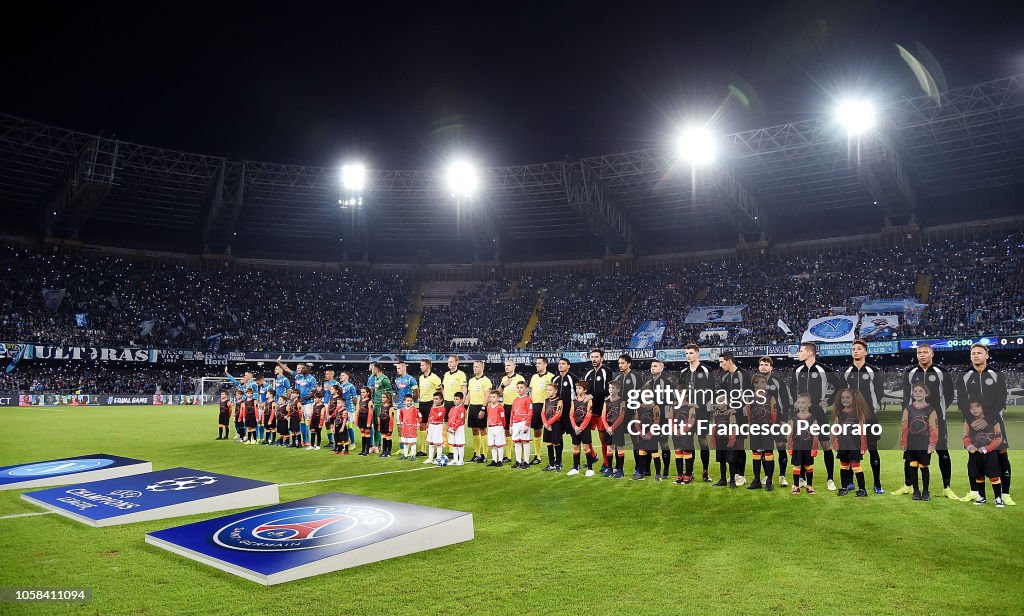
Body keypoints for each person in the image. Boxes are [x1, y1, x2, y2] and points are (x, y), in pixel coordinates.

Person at [956, 344, 1014, 506]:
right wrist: (971, 419)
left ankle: (1005, 493)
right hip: (973, 422)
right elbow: (961, 401)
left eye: (979, 353)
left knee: (1002, 453)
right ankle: (975, 492)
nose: (975, 356)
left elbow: (1001, 399)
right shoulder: (965, 375)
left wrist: (987, 419)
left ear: (986, 355)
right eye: (973, 353)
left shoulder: (996, 374)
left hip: (994, 420)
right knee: (973, 455)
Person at [899, 344, 957, 500]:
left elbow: (949, 395)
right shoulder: (910, 372)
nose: (922, 355)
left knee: (942, 451)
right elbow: (906, 397)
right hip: (914, 422)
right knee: (910, 454)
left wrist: (939, 412)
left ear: (932, 354)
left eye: (925, 352)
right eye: (919, 352)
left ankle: (947, 488)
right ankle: (908, 485)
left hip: (937, 421)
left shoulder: (941, 372)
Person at [792, 342, 843, 491]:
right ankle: (801, 478)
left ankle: (830, 479)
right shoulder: (797, 369)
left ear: (810, 353)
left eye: (801, 351)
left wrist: (829, 401)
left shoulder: (824, 369)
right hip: (801, 414)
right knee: (801, 444)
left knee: (825, 444)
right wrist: (796, 402)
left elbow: (839, 387)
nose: (798, 353)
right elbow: (791, 387)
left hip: (818, 413)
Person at [842, 340, 886, 494]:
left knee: (873, 450)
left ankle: (877, 484)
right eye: (853, 349)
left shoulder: (873, 371)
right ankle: (849, 482)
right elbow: (844, 395)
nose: (855, 351)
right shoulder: (847, 372)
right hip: (851, 418)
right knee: (850, 450)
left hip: (870, 417)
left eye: (859, 349)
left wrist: (868, 410)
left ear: (865, 352)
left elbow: (879, 393)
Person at [961, 398, 1006, 507]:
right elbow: (965, 436)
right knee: (978, 475)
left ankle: (998, 498)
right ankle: (982, 497)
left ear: (983, 407)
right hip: (975, 453)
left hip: (990, 454)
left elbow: (998, 438)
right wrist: (970, 446)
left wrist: (987, 448)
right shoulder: (968, 422)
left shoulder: (993, 420)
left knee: (994, 476)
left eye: (977, 406)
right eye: (971, 408)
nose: (974, 410)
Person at [679, 344, 713, 481]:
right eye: (686, 353)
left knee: (703, 440)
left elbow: (711, 390)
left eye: (691, 353)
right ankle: (690, 471)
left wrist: (700, 403)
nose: (688, 355)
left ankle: (705, 472)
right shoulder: (683, 372)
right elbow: (680, 392)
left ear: (698, 354)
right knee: (688, 441)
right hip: (686, 413)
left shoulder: (706, 370)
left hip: (702, 411)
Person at [899, 384, 939, 501]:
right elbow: (904, 427)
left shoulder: (931, 410)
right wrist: (904, 442)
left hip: (924, 441)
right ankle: (916, 491)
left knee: (923, 466)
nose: (917, 393)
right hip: (912, 442)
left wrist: (932, 444)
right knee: (913, 466)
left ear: (926, 393)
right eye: (915, 391)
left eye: (921, 391)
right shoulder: (908, 409)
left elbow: (934, 429)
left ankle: (926, 491)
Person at [758, 356, 792, 487]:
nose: (763, 367)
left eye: (766, 364)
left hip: (777, 420)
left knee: (781, 447)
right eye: (761, 364)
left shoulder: (778, 382)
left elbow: (786, 402)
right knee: (764, 449)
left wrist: (783, 420)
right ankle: (767, 476)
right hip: (761, 422)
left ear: (771, 367)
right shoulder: (755, 382)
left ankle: (782, 476)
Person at [831, 389, 869, 497]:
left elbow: (862, 430)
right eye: (843, 398)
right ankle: (844, 487)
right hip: (843, 444)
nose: (845, 400)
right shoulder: (839, 414)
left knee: (856, 466)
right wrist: (835, 442)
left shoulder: (858, 413)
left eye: (848, 397)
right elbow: (836, 429)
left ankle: (862, 489)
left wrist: (863, 445)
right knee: (844, 466)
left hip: (855, 445)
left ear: (853, 399)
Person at [717, 352, 748, 486]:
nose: (720, 365)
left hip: (740, 415)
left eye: (722, 362)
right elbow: (722, 396)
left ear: (729, 361)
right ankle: (733, 474)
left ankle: (741, 475)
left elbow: (746, 395)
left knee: (739, 445)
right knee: (729, 446)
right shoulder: (724, 377)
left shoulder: (743, 374)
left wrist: (736, 408)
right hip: (727, 416)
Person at [745, 374, 777, 491]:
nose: (764, 384)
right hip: (755, 428)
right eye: (761, 382)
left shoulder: (771, 397)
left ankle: (769, 481)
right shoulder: (750, 398)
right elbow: (748, 414)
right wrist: (751, 425)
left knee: (768, 454)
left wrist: (771, 427)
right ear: (755, 384)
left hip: (766, 428)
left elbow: (773, 413)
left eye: (765, 382)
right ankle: (757, 480)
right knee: (756, 455)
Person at [584, 349, 613, 474]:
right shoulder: (588, 373)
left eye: (596, 357)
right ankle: (593, 455)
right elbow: (586, 391)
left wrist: (592, 396)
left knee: (603, 438)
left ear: (601, 358)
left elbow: (608, 390)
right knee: (585, 435)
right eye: (592, 357)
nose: (594, 359)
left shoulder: (607, 371)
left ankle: (606, 463)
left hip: (602, 410)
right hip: (590, 410)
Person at [276, 360, 318, 448]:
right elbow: (287, 369)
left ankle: (308, 441)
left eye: (299, 368)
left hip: (307, 403)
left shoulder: (311, 379)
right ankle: (302, 440)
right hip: (297, 403)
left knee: (308, 423)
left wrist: (303, 398)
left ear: (304, 369)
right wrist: (279, 362)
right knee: (299, 422)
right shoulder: (298, 376)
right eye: (297, 368)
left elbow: (314, 392)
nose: (297, 369)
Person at [788, 393, 820, 495]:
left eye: (803, 402)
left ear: (809, 404)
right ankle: (796, 487)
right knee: (797, 466)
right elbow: (791, 434)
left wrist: (814, 448)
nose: (800, 404)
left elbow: (815, 435)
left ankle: (809, 486)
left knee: (807, 465)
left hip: (808, 445)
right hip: (797, 445)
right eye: (799, 402)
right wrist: (790, 447)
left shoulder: (812, 418)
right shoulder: (794, 418)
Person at [567, 382, 598, 477]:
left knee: (586, 447)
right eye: (577, 388)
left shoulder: (588, 400)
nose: (577, 390)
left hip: (585, 428)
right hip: (575, 427)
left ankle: (590, 469)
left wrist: (581, 427)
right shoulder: (574, 400)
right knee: (575, 447)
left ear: (585, 390)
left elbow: (588, 415)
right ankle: (576, 468)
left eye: (580, 388)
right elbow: (571, 414)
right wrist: (575, 427)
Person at [528, 357, 555, 466]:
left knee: (551, 431)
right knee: (537, 430)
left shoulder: (551, 377)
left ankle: (553, 456)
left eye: (539, 363)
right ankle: (537, 455)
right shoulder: (534, 377)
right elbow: (531, 391)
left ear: (545, 364)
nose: (537, 365)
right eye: (536, 363)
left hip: (547, 405)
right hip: (535, 405)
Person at [499, 360, 526, 464]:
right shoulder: (504, 379)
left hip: (517, 408)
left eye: (509, 365)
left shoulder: (520, 378)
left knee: (519, 432)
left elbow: (523, 392)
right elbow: (498, 393)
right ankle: (508, 456)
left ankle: (523, 458)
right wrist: (502, 385)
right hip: (506, 406)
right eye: (505, 365)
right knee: (507, 431)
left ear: (514, 366)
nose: (506, 367)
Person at [467, 361, 493, 463]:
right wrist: (465, 407)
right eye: (474, 367)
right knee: (474, 430)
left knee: (482, 430)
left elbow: (487, 396)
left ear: (482, 368)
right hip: (472, 407)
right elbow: (469, 395)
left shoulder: (486, 381)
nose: (475, 368)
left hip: (480, 407)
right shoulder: (471, 381)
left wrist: (483, 408)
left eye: (477, 367)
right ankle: (476, 453)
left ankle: (484, 454)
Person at [442, 355, 468, 455]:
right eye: (448, 362)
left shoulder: (461, 374)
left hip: (456, 404)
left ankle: (457, 449)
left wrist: (463, 402)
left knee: (456, 426)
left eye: (452, 362)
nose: (450, 364)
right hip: (447, 403)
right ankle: (451, 450)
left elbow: (464, 389)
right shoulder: (446, 374)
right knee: (448, 426)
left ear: (457, 363)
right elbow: (443, 388)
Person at [602, 381, 627, 479]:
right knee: (609, 448)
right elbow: (603, 416)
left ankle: (620, 470)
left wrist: (612, 427)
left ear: (618, 390)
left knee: (620, 448)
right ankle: (609, 469)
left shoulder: (622, 401)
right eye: (609, 388)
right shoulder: (606, 401)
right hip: (608, 428)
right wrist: (607, 427)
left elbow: (621, 416)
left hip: (618, 428)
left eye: (613, 388)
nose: (611, 390)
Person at [417, 359, 442, 457]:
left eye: (422, 365)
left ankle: (437, 449)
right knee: (422, 426)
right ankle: (423, 450)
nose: (420, 367)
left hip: (431, 404)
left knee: (433, 427)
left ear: (428, 366)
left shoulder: (435, 378)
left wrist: (438, 404)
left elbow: (439, 392)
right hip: (422, 403)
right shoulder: (420, 378)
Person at [368, 362, 393, 454]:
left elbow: (390, 392)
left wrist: (388, 405)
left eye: (373, 368)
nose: (371, 370)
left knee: (380, 425)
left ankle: (379, 445)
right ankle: (377, 445)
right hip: (376, 404)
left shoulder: (384, 379)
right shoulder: (375, 379)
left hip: (382, 406)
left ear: (376, 369)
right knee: (375, 425)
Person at [541, 383, 564, 472]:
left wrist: (549, 423)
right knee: (549, 444)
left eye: (550, 390)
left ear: (555, 391)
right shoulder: (546, 400)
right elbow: (542, 413)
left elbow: (558, 414)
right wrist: (545, 424)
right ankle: (551, 464)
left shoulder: (559, 401)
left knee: (556, 444)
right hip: (547, 425)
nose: (548, 391)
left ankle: (558, 464)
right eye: (547, 390)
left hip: (555, 425)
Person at [510, 381, 533, 469]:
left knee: (525, 441)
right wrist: (511, 425)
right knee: (517, 442)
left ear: (526, 389)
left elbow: (530, 412)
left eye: (521, 387)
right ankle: (518, 461)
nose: (519, 389)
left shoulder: (528, 399)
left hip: (523, 422)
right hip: (515, 423)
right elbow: (512, 413)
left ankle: (526, 462)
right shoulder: (515, 400)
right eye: (518, 387)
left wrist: (527, 425)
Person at [485, 390, 506, 467]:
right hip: (491, 427)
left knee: (499, 444)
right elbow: (488, 417)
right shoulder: (489, 407)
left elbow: (503, 418)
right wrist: (488, 426)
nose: (491, 398)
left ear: (498, 398)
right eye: (490, 397)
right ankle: (494, 460)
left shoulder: (500, 407)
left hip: (498, 427)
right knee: (493, 444)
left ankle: (500, 460)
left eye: (493, 397)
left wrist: (502, 426)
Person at [425, 392, 447, 464]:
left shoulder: (442, 409)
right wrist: (427, 426)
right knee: (431, 443)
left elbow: (437, 417)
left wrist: (433, 408)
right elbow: (430, 417)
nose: (435, 400)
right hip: (431, 426)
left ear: (441, 400)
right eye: (434, 399)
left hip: (438, 426)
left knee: (438, 443)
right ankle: (430, 458)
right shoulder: (433, 408)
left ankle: (438, 459)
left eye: (436, 399)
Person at [447, 392, 468, 466]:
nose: (455, 400)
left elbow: (460, 419)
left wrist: (454, 428)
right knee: (454, 444)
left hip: (459, 428)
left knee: (460, 444)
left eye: (457, 399)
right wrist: (449, 427)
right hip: (452, 428)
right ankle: (455, 459)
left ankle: (461, 460)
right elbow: (449, 418)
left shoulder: (462, 409)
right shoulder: (452, 409)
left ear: (461, 400)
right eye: (454, 399)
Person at [321, 370, 340, 447]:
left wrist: (330, 389)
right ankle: (331, 441)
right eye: (325, 374)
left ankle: (338, 441)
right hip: (326, 403)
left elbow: (339, 393)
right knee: (327, 422)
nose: (326, 375)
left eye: (327, 374)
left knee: (334, 422)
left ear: (332, 374)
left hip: (333, 404)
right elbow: (325, 393)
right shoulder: (325, 383)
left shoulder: (336, 383)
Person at [398, 394, 419, 460]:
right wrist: (401, 423)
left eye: (410, 400)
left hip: (411, 428)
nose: (409, 402)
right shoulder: (402, 410)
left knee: (412, 443)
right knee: (405, 443)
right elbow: (400, 417)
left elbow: (419, 417)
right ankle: (405, 455)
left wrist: (417, 424)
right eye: (408, 400)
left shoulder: (414, 409)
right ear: (404, 401)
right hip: (405, 428)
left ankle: (413, 455)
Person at [356, 386, 375, 456]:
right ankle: (363, 450)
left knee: (367, 434)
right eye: (361, 392)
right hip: (361, 418)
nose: (362, 394)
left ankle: (367, 451)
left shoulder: (369, 401)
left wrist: (369, 422)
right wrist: (356, 420)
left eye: (364, 392)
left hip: (366, 418)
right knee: (363, 435)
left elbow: (370, 412)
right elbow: (357, 411)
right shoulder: (360, 401)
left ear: (368, 393)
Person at [378, 392, 395, 458]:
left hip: (387, 424)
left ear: (389, 398)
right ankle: (384, 451)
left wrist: (390, 427)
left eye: (384, 397)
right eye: (382, 397)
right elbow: (379, 416)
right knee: (383, 437)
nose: (382, 398)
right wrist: (379, 425)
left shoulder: (390, 408)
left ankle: (388, 451)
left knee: (388, 437)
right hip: (382, 424)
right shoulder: (381, 407)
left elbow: (391, 418)